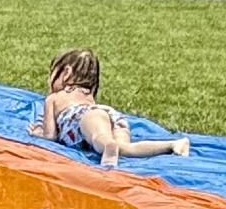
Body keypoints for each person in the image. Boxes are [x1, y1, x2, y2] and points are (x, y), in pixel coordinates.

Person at [27, 48, 190, 168]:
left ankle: (107, 147)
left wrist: (39, 133)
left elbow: (50, 136)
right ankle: (172, 144)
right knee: (125, 148)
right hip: (110, 115)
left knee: (102, 138)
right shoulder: (87, 95)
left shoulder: (54, 98)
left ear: (67, 73)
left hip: (82, 118)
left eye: (53, 73)